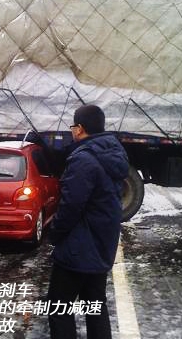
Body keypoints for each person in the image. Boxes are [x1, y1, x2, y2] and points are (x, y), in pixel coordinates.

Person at [47, 105, 129, 339]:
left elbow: (71, 206)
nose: (72, 131)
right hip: (101, 245)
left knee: (58, 307)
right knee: (95, 305)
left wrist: (55, 233)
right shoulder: (113, 153)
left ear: (80, 129)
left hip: (78, 248)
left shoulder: (84, 159)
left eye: (74, 127)